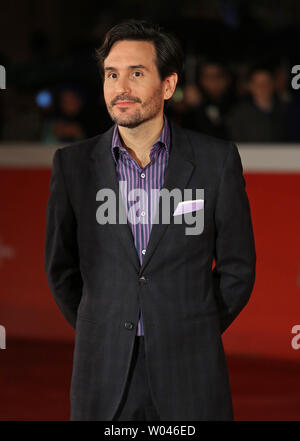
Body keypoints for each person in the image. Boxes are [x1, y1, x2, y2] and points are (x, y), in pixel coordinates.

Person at [44, 19, 256, 421]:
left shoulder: (216, 161)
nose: (121, 87)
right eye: (112, 74)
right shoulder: (72, 166)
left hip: (190, 371)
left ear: (169, 85)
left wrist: (191, 326)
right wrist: (104, 325)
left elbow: (237, 270)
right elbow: (61, 269)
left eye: (136, 73)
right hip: (103, 376)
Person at [227, 66, 286, 142]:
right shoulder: (238, 113)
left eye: (266, 83)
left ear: (273, 84)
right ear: (250, 86)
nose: (262, 87)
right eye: (258, 84)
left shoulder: (285, 110)